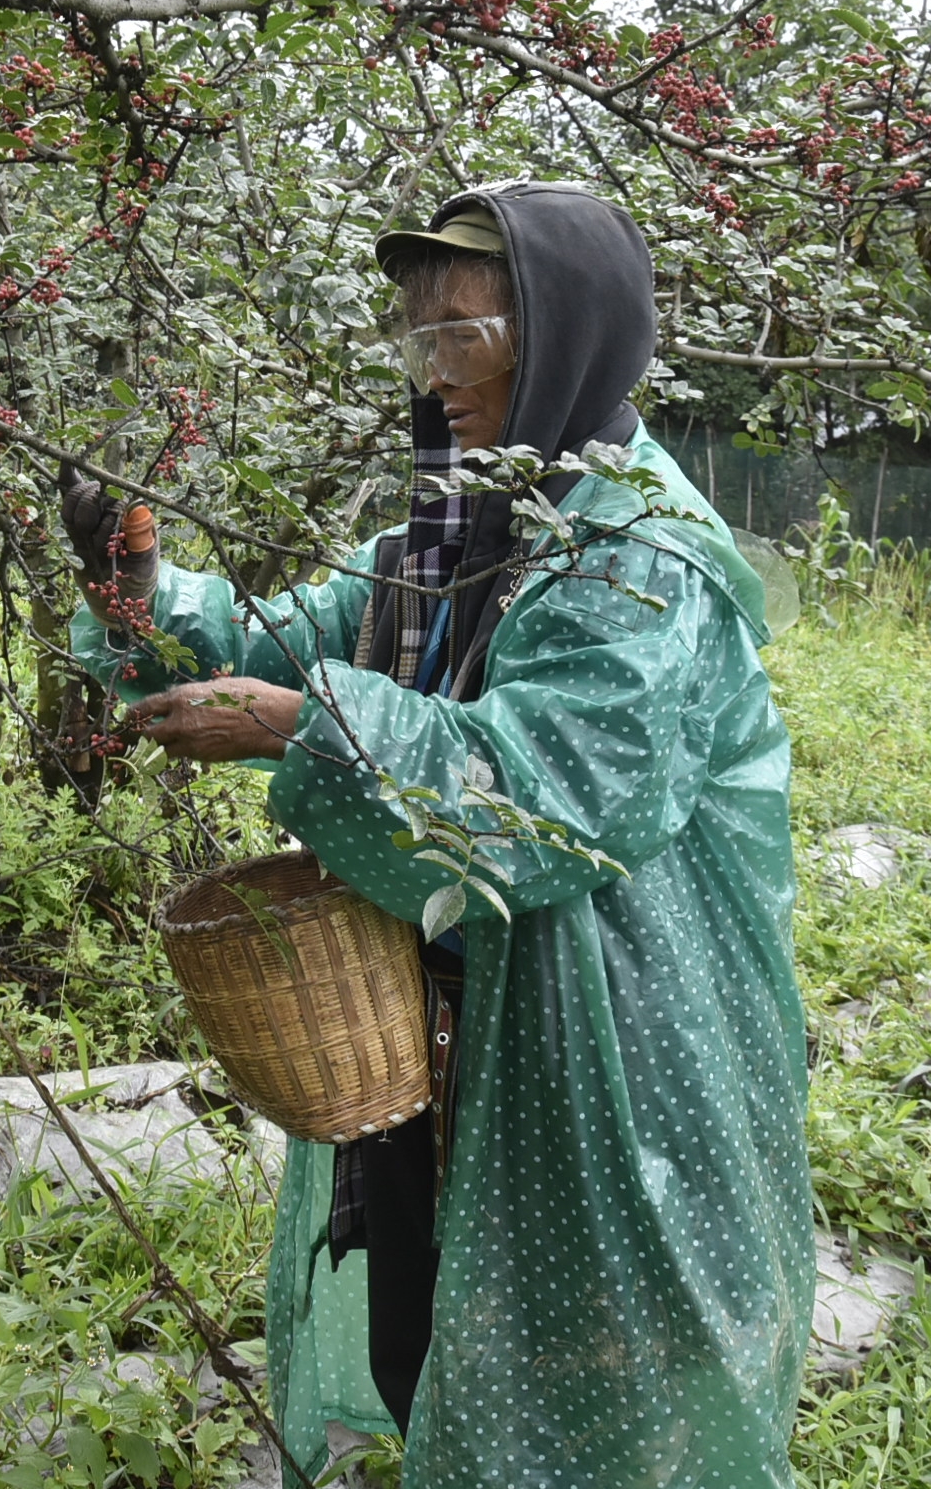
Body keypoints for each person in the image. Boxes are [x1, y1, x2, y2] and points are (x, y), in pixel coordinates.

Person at [63, 182, 811, 1489]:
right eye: (419, 339)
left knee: (604, 1365)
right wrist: (139, 589)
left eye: (462, 333)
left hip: (615, 1049)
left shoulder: (642, 563)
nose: (436, 372)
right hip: (447, 1035)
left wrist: (308, 729)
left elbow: (552, 790)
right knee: (433, 1329)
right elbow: (269, 640)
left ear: (568, 333)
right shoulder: (449, 542)